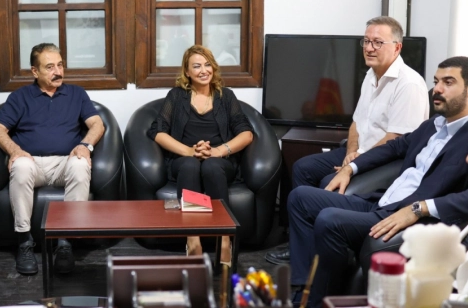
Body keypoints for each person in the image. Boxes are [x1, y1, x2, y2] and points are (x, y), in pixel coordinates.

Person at [288, 56, 468, 308]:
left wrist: (419, 208)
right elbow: (392, 148)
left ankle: (318, 303)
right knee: (300, 198)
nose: (436, 89)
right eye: (436, 81)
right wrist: (350, 168)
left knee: (330, 219)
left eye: (448, 82)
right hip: (382, 202)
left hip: (412, 217)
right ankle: (303, 288)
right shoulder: (432, 126)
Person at [266, 16, 429, 265]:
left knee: (327, 182)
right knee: (303, 167)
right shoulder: (371, 75)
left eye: (377, 42)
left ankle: (321, 252)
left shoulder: (409, 84)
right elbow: (356, 123)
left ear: (397, 47)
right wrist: (351, 153)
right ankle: (302, 246)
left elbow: (395, 139)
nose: (369, 48)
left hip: (386, 162)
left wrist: (356, 162)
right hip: (360, 152)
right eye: (366, 41)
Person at [0, 43, 105, 275]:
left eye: (60, 65)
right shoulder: (20, 97)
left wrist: (85, 146)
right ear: (35, 71)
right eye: (50, 67)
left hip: (65, 163)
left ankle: (65, 243)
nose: (58, 72)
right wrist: (14, 150)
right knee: (21, 166)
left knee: (81, 164)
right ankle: (24, 241)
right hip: (33, 163)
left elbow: (97, 124)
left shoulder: (76, 94)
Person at [147, 45, 254, 267]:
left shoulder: (226, 96)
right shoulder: (176, 96)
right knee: (190, 166)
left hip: (220, 160)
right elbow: (157, 131)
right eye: (196, 66)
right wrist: (189, 151)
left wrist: (218, 151)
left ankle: (224, 239)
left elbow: (246, 133)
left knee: (211, 166)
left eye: (207, 65)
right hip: (184, 159)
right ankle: (192, 238)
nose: (204, 70)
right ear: (187, 72)